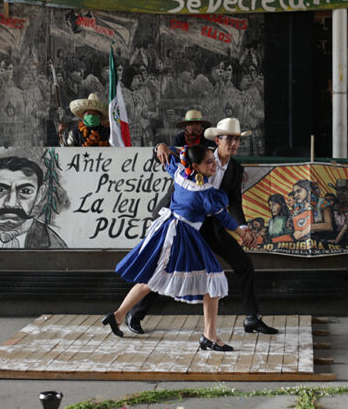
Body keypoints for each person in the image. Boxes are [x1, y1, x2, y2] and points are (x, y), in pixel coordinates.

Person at [126, 117, 279, 336]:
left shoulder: (235, 169)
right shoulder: (199, 153)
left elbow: (234, 202)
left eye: (237, 139)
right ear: (217, 140)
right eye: (230, 139)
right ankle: (135, 314)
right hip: (183, 225)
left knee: (243, 263)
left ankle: (252, 318)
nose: (234, 144)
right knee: (165, 270)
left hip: (212, 226)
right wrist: (158, 146)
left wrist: (243, 227)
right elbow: (167, 152)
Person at [102, 144, 245, 351]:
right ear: (195, 166)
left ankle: (117, 316)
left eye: (213, 160)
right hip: (180, 236)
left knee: (154, 279)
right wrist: (243, 233)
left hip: (169, 231)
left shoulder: (180, 172)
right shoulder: (202, 192)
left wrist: (162, 146)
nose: (214, 165)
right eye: (209, 162)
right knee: (213, 279)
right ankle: (209, 336)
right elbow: (224, 217)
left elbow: (169, 158)